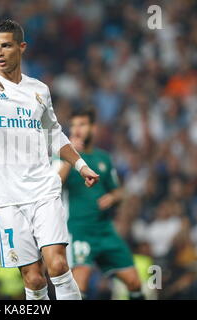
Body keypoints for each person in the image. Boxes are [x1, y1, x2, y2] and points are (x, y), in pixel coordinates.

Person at [0, 19, 99, 300]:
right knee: (34, 280)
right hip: (7, 198)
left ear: (21, 47)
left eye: (6, 45)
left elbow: (54, 134)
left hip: (44, 190)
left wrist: (81, 165)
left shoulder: (39, 90)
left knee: (57, 264)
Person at [57, 108, 144, 300]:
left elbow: (119, 190)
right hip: (79, 229)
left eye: (82, 125)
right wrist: (71, 158)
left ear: (93, 129)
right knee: (80, 285)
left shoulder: (103, 158)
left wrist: (113, 198)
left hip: (105, 230)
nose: (77, 129)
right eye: (73, 125)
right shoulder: (63, 156)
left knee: (135, 282)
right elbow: (53, 184)